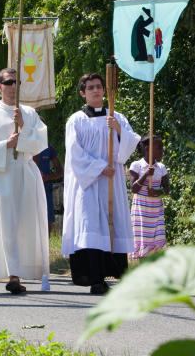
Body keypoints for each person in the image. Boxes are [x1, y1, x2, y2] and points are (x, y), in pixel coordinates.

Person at [62, 73, 140, 295]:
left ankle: (119, 275)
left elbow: (130, 144)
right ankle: (96, 279)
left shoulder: (117, 117)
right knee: (92, 226)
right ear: (82, 93)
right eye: (90, 88)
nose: (96, 91)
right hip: (88, 184)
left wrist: (118, 129)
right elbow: (75, 153)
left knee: (114, 223)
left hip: (111, 180)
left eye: (99, 87)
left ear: (105, 91)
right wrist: (98, 168)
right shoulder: (76, 120)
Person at [0, 68, 50, 294]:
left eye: (16, 81)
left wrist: (24, 127)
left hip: (25, 172)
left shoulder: (28, 112)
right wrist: (4, 145)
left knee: (26, 223)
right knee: (6, 224)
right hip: (1, 176)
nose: (12, 86)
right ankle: (11, 274)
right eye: (8, 82)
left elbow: (41, 140)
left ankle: (25, 269)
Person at [129, 134, 170, 258]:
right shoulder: (136, 165)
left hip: (156, 212)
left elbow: (167, 190)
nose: (162, 150)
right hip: (141, 212)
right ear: (148, 149)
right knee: (143, 247)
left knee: (156, 249)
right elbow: (134, 189)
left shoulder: (161, 168)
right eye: (159, 147)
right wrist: (146, 174)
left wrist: (157, 192)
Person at [34, 144, 63, 231]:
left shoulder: (48, 147)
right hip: (28, 190)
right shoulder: (22, 144)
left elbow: (60, 172)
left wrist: (47, 177)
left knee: (47, 222)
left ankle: (46, 244)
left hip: (45, 190)